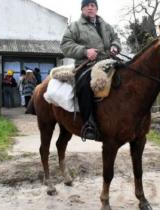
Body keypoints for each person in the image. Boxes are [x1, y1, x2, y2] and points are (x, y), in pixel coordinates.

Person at [60, 0, 121, 140]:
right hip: (86, 65)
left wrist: (115, 46)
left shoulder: (106, 26)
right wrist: (85, 51)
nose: (90, 8)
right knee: (84, 85)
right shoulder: (75, 26)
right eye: (86, 6)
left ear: (96, 9)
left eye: (92, 5)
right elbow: (65, 45)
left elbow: (116, 38)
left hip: (108, 62)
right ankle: (89, 123)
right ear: (82, 9)